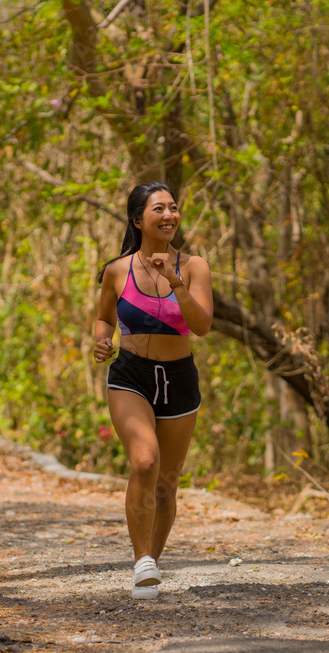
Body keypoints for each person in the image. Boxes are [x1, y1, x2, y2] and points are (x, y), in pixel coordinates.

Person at [92, 182, 213, 600]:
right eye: (158, 208)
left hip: (179, 379)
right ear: (137, 219)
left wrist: (175, 283)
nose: (169, 215)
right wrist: (102, 340)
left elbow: (202, 325)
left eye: (174, 208)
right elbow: (104, 318)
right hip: (131, 376)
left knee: (166, 483)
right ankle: (141, 559)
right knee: (144, 461)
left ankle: (152, 567)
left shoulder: (194, 266)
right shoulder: (117, 270)